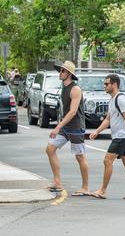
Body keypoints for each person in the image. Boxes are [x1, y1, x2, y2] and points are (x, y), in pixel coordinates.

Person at [89, 74, 125, 200]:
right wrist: (97, 131)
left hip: (122, 137)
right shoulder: (112, 100)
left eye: (107, 84)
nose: (104, 86)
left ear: (114, 85)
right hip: (119, 136)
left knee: (107, 161)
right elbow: (108, 119)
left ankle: (102, 190)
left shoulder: (121, 99)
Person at [45, 61, 90, 196]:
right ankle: (57, 182)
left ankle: (85, 187)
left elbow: (72, 112)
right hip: (66, 127)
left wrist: (57, 127)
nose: (60, 73)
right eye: (60, 71)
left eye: (63, 71)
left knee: (80, 157)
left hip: (76, 127)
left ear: (69, 74)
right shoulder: (64, 87)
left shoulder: (75, 89)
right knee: (50, 149)